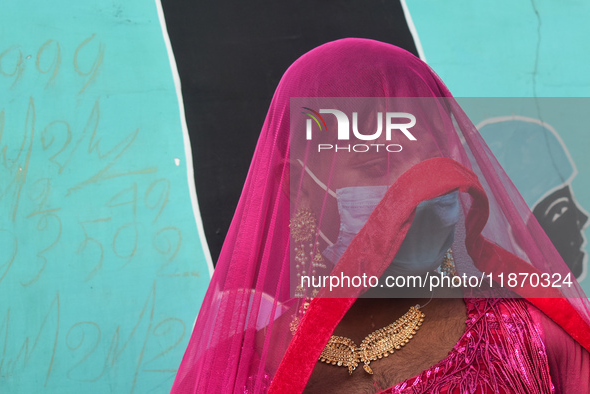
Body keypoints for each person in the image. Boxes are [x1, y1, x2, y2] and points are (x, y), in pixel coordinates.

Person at [171, 38, 590, 393]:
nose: (414, 194)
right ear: (298, 187)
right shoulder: (234, 372)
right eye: (375, 166)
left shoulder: (532, 337)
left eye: (430, 168)